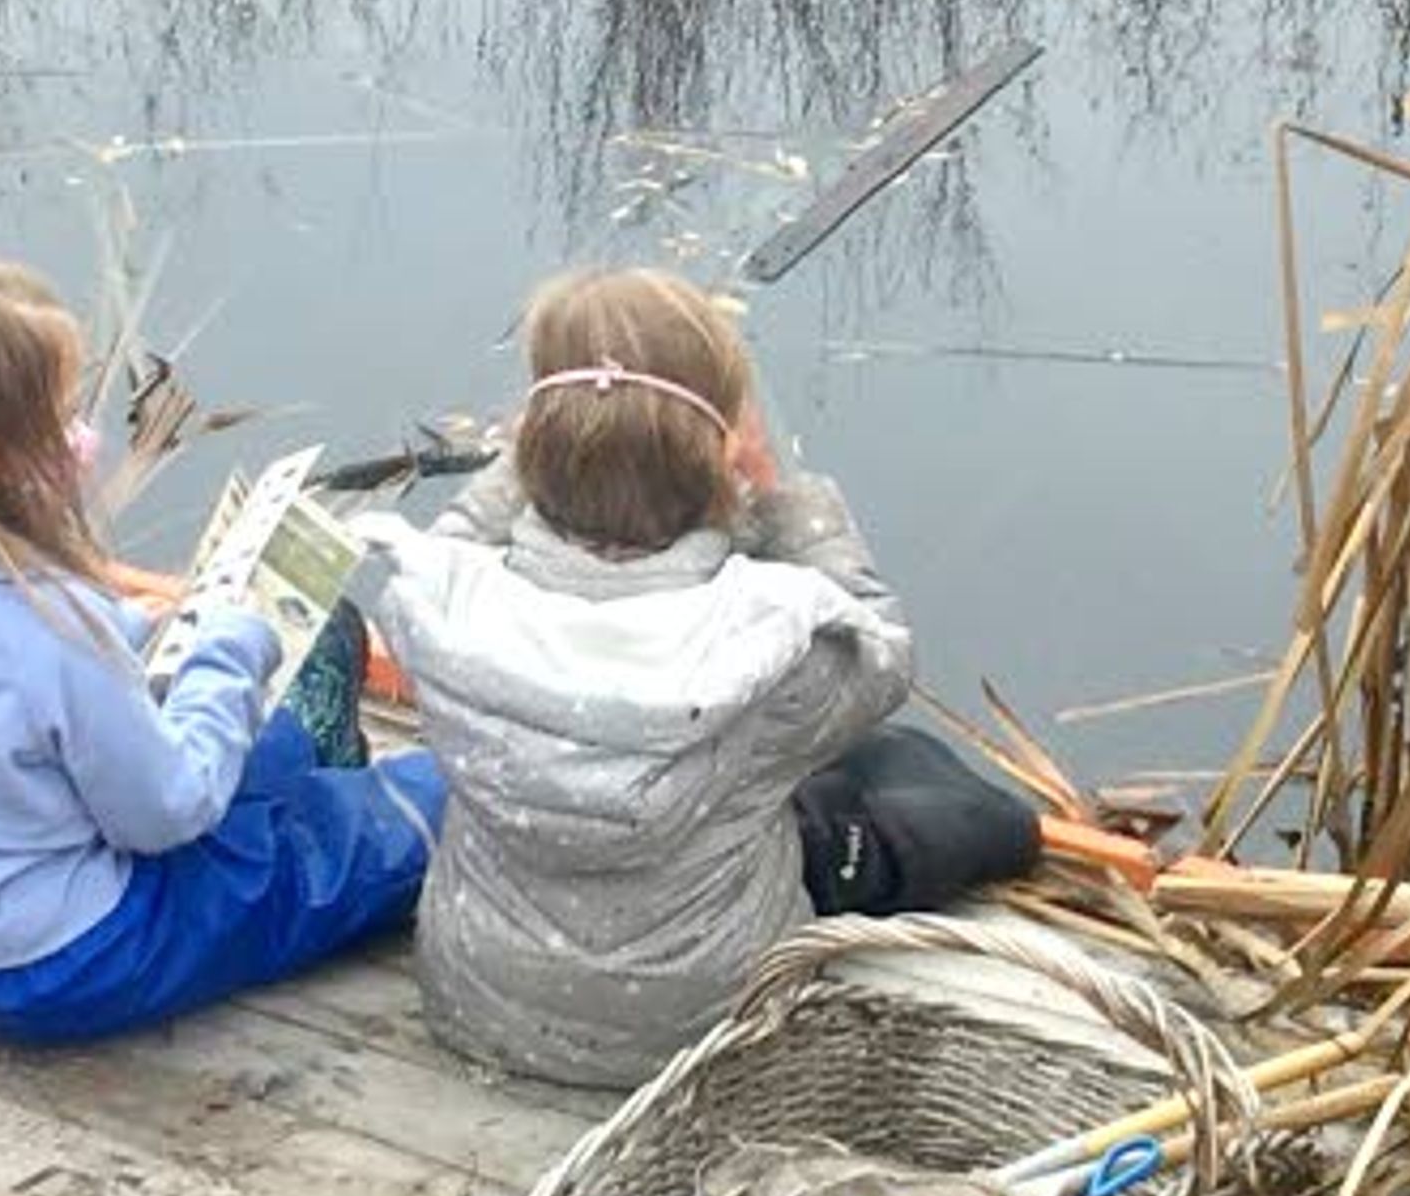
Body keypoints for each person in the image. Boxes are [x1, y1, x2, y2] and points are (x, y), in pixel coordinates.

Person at [350, 267, 1042, 1092]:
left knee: (798, 775)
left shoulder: (438, 613)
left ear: (532, 441)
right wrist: (782, 497)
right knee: (927, 788)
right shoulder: (770, 641)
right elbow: (882, 647)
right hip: (706, 1027)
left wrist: (514, 470)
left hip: (479, 1002)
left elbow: (458, 538)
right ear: (723, 455)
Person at [0, 251, 440, 1044]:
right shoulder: (55, 631)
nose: (81, 437)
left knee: (261, 746)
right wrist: (224, 653)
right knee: (408, 807)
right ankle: (345, 774)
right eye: (60, 418)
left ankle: (306, 751)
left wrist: (138, 637)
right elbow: (167, 813)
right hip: (44, 966)